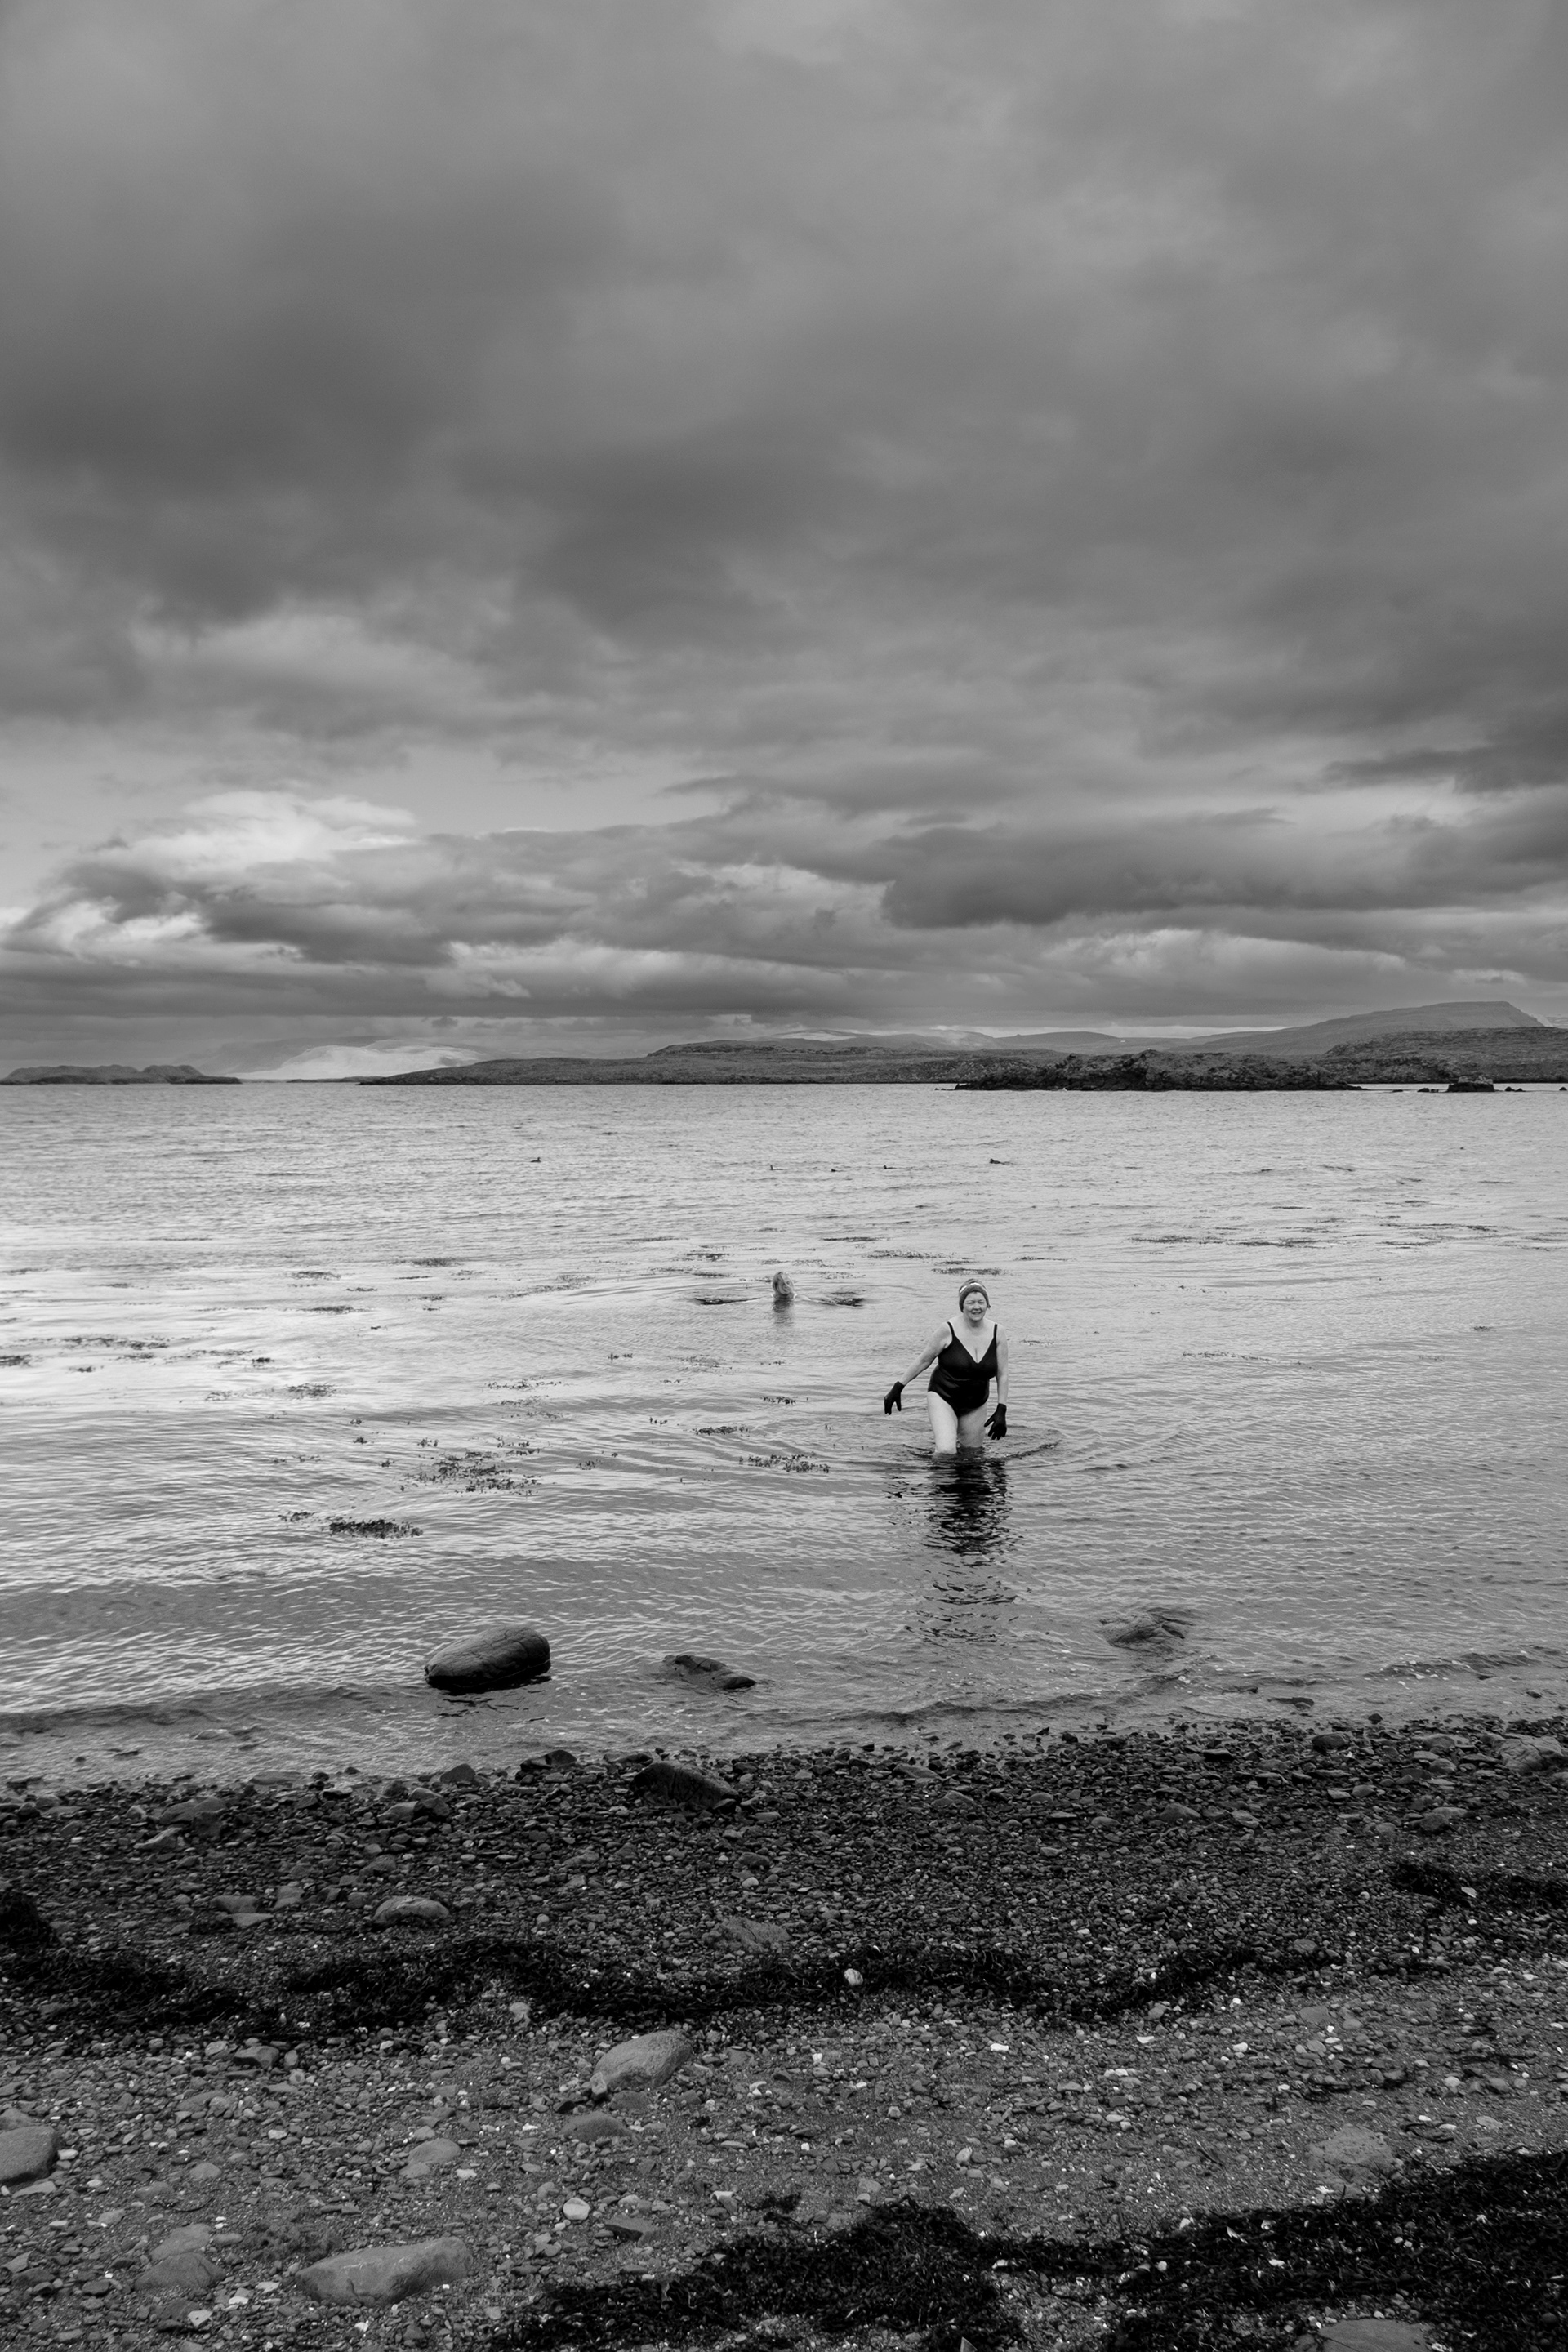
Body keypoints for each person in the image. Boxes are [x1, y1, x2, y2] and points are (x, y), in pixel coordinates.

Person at [884, 1279, 1009, 1454]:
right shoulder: (947, 1329)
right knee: (946, 1451)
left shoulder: (998, 1332)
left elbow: (1002, 1374)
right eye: (970, 1302)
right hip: (943, 1397)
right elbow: (924, 1360)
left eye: (981, 1302)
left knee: (972, 1454)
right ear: (962, 1306)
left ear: (987, 1305)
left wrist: (1001, 1409)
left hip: (976, 1403)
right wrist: (899, 1386)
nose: (976, 1307)